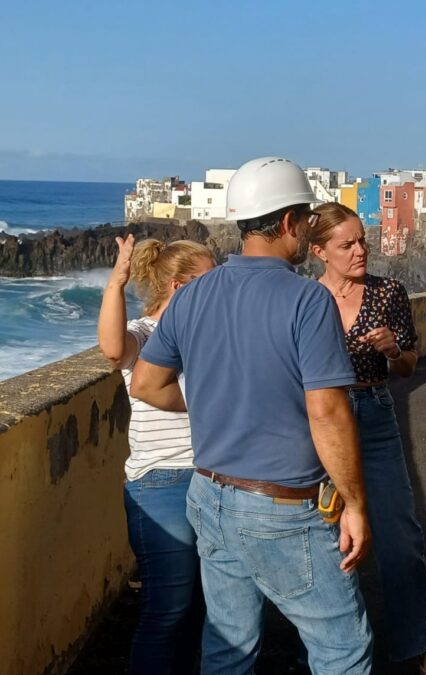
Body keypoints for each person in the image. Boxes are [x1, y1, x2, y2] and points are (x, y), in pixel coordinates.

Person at [130, 156, 375, 674]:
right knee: (341, 648)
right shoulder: (308, 300)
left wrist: (217, 402)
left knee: (228, 649)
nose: (308, 226)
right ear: (288, 222)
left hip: (210, 496)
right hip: (282, 505)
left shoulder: (194, 294)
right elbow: (327, 412)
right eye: (306, 217)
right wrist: (353, 502)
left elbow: (146, 383)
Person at [308, 201, 426, 675]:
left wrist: (392, 351)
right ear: (319, 251)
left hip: (375, 411)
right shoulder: (306, 299)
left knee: (399, 536)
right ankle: (348, 651)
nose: (360, 250)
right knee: (330, 538)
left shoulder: (388, 292)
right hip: (325, 420)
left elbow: (408, 365)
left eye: (362, 239)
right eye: (346, 244)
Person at [98, 235, 214, 674]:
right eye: (211, 281)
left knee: (200, 610)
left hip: (209, 478)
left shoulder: (207, 339)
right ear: (181, 289)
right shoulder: (147, 335)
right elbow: (112, 349)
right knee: (167, 608)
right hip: (161, 482)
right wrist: (117, 281)